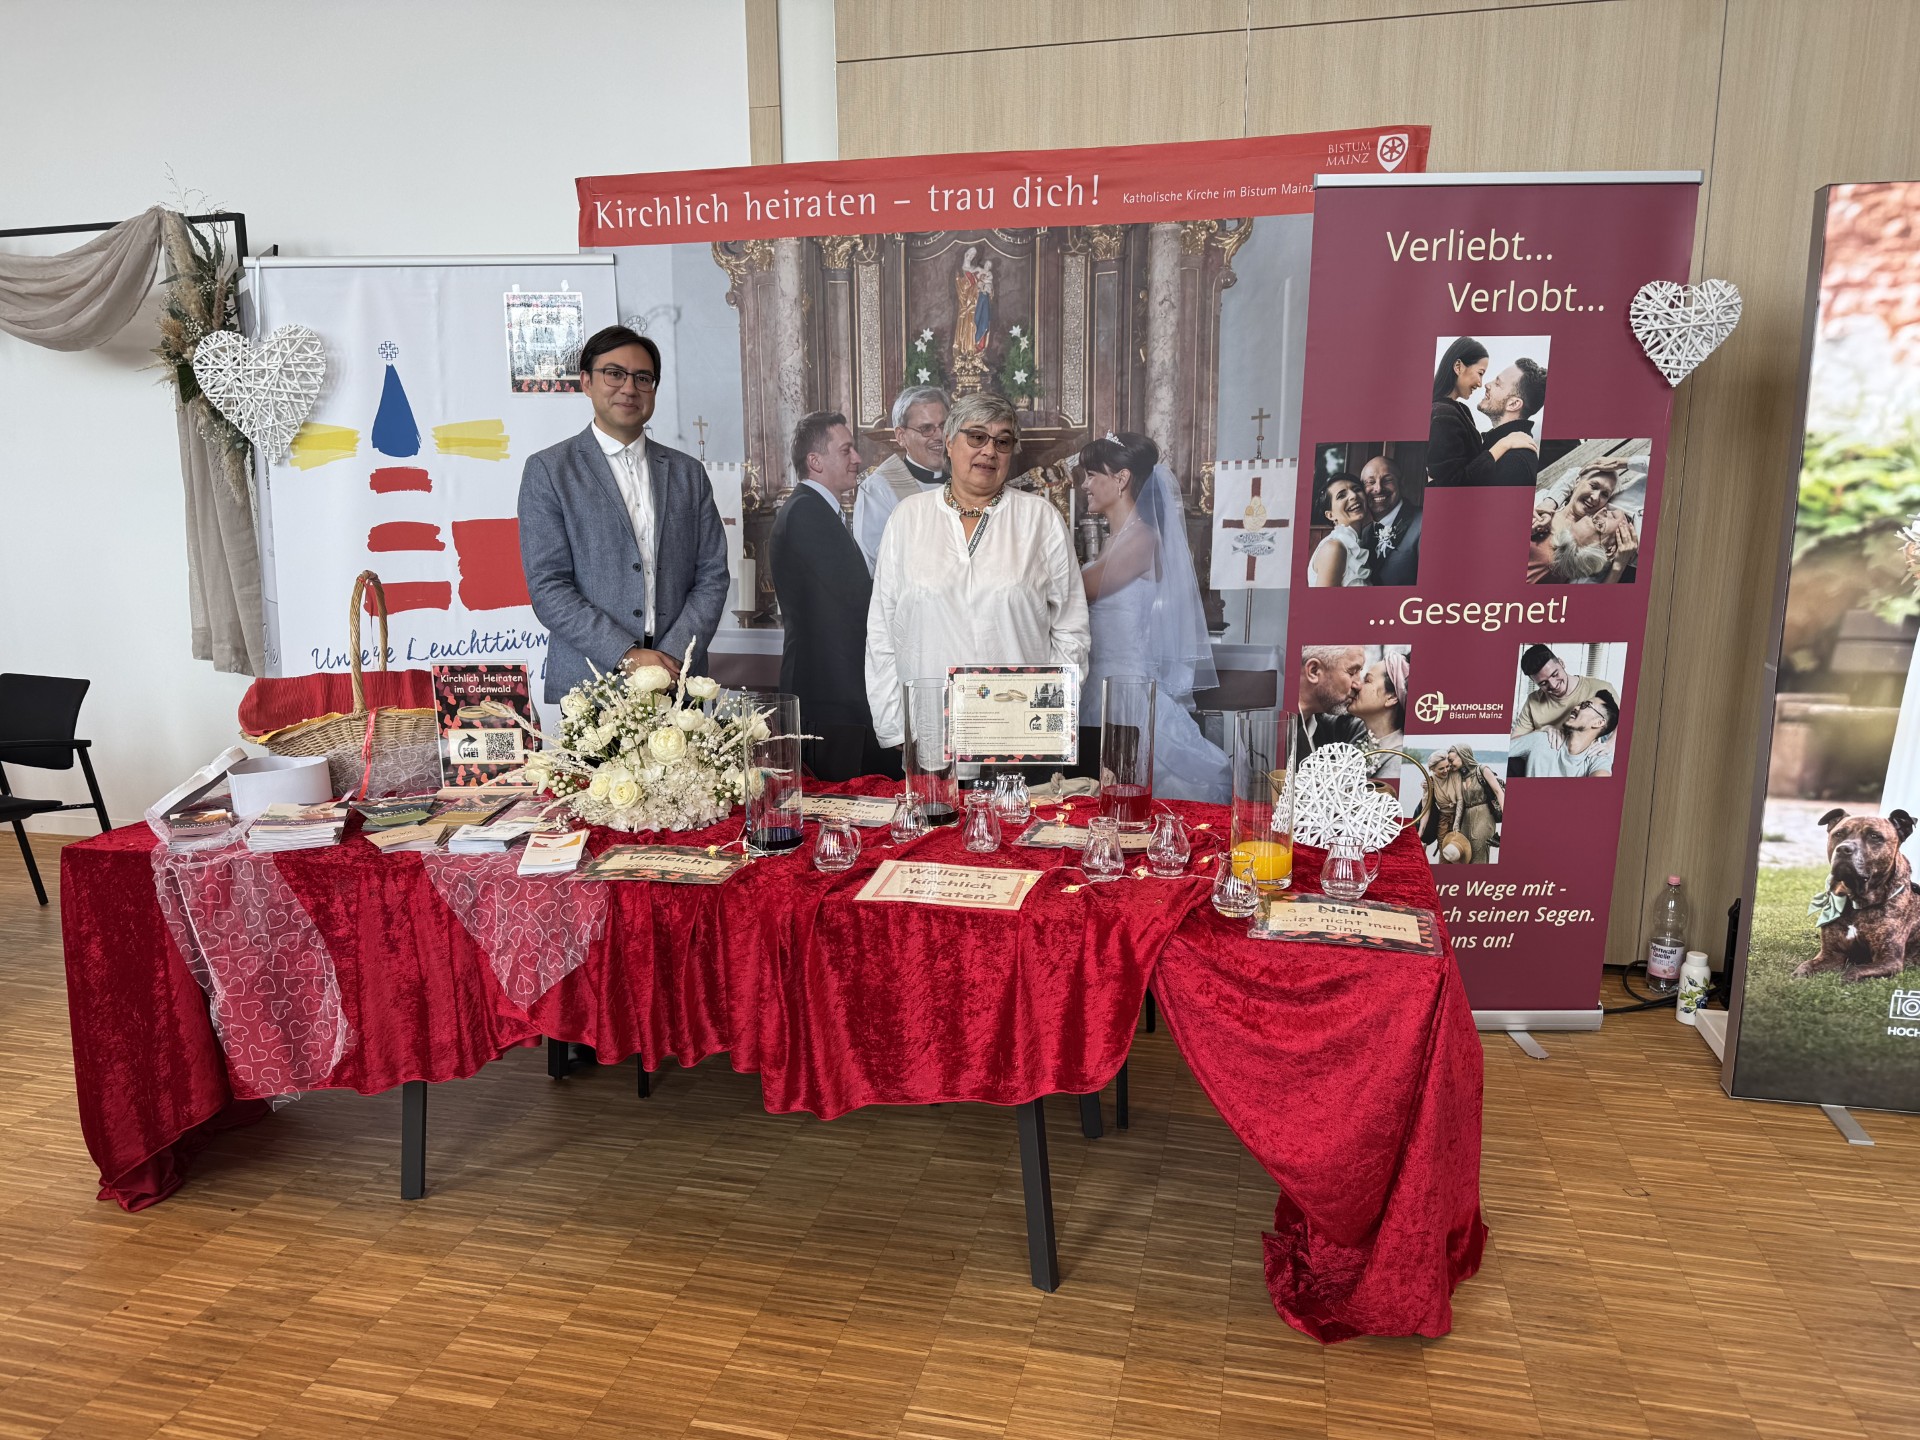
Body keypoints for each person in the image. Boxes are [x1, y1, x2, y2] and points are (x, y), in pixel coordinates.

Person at [865, 392, 1090, 752]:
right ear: (949, 445)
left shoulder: (1039, 519)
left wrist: (1049, 717)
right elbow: (882, 631)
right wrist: (894, 729)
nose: (989, 451)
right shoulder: (908, 518)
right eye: (977, 437)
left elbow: (1071, 630)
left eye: (1002, 441)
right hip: (929, 734)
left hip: (1018, 737)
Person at [518, 325, 730, 703]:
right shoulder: (550, 470)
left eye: (643, 378)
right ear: (586, 381)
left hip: (679, 682)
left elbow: (712, 574)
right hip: (591, 684)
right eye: (614, 373)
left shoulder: (687, 473)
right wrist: (627, 656)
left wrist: (671, 660)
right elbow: (549, 587)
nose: (629, 388)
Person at [1077, 431, 1230, 802]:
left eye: (1093, 475)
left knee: (1133, 793)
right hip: (1097, 688)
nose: (1085, 485)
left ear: (1121, 479)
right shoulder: (1116, 541)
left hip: (1128, 693)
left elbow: (1075, 591)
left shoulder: (1143, 540)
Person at [770, 411, 898, 782]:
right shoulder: (808, 513)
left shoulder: (815, 510)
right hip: (828, 690)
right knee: (840, 800)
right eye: (846, 450)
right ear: (815, 461)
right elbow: (856, 600)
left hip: (833, 686)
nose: (857, 458)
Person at [851, 385, 950, 571]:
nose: (939, 436)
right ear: (901, 436)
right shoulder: (879, 488)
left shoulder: (965, 478)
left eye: (944, 426)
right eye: (926, 428)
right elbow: (875, 559)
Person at [1427, 337, 1536, 487]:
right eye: (1480, 373)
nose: (1481, 383)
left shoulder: (1459, 410)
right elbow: (1450, 484)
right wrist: (1504, 444)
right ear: (1458, 367)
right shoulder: (1442, 415)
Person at [1527, 460, 1639, 584]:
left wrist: (1618, 566)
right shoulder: (1542, 500)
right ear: (1576, 483)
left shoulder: (1591, 546)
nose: (1595, 497)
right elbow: (1574, 473)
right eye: (1594, 486)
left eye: (1604, 494)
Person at [1417, 745, 1505, 863]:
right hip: (1460, 819)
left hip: (1479, 816)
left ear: (1463, 757)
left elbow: (1498, 792)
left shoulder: (1474, 771)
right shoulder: (1451, 775)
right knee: (1461, 855)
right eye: (1445, 765)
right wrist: (1425, 782)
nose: (1448, 767)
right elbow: (1427, 804)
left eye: (1450, 762)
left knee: (1478, 851)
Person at [1512, 643, 1618, 737]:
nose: (1553, 685)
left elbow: (1627, 722)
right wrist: (1541, 731)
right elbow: (1514, 741)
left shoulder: (1600, 688)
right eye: (1543, 683)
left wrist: (1610, 745)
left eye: (1555, 674)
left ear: (1561, 663)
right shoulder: (1533, 701)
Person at [1510, 691, 1619, 777]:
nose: (1575, 708)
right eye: (1579, 704)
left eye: (1585, 705)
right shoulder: (1541, 739)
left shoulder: (1598, 758)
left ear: (1599, 722)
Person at [1477, 358, 1548, 487]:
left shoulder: (1516, 462)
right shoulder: (1490, 444)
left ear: (1513, 404)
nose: (1487, 384)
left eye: (1497, 384)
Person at [1291, 645, 1370, 757]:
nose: (1358, 685)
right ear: (1314, 671)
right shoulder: (1272, 728)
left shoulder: (1328, 730)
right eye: (1352, 672)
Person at [1359, 454, 1421, 585]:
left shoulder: (1423, 522)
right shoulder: (1363, 534)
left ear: (1401, 483)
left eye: (1387, 480)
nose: (1378, 488)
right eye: (1370, 482)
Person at [1350, 648, 1409, 779]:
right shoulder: (1358, 733)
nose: (1357, 686)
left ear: (1391, 697)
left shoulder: (1398, 761)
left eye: (1368, 681)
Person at [1306, 472, 1372, 587]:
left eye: (1356, 489)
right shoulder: (1334, 548)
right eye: (1341, 495)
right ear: (1330, 515)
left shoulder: (1358, 543)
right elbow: (1323, 603)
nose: (1353, 496)